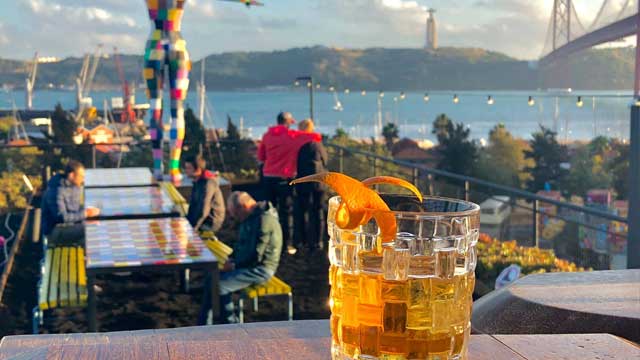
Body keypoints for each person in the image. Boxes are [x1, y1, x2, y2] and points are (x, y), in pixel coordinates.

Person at [198, 191, 282, 325]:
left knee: (219, 286)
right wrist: (231, 259)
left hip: (261, 268)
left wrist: (234, 266)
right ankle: (204, 323)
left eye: (234, 214)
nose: (234, 217)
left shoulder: (263, 220)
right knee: (212, 279)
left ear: (243, 207)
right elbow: (241, 245)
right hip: (248, 264)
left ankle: (231, 324)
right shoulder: (251, 217)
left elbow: (256, 255)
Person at [257, 112, 321, 255]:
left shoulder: (267, 136)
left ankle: (267, 242)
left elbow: (261, 156)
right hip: (284, 179)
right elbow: (315, 137)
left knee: (268, 210)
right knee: (285, 213)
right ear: (288, 122)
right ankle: (285, 245)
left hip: (268, 177)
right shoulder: (292, 136)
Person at [41, 160, 99, 246]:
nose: (83, 180)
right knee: (90, 230)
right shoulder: (56, 190)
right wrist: (86, 214)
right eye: (81, 176)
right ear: (72, 175)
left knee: (96, 225)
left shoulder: (76, 187)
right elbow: (61, 217)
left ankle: (79, 252)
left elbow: (76, 211)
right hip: (54, 231)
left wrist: (88, 216)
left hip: (70, 226)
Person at [293, 119, 328, 252]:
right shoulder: (317, 143)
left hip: (303, 182)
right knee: (317, 211)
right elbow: (325, 160)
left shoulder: (296, 143)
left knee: (301, 211)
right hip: (319, 182)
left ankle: (301, 241)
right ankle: (317, 242)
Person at [184, 155, 225, 233]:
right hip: (203, 218)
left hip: (211, 221)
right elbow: (193, 205)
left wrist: (192, 229)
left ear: (198, 169)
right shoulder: (197, 181)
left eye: (189, 168)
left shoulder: (208, 183)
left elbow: (204, 210)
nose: (186, 170)